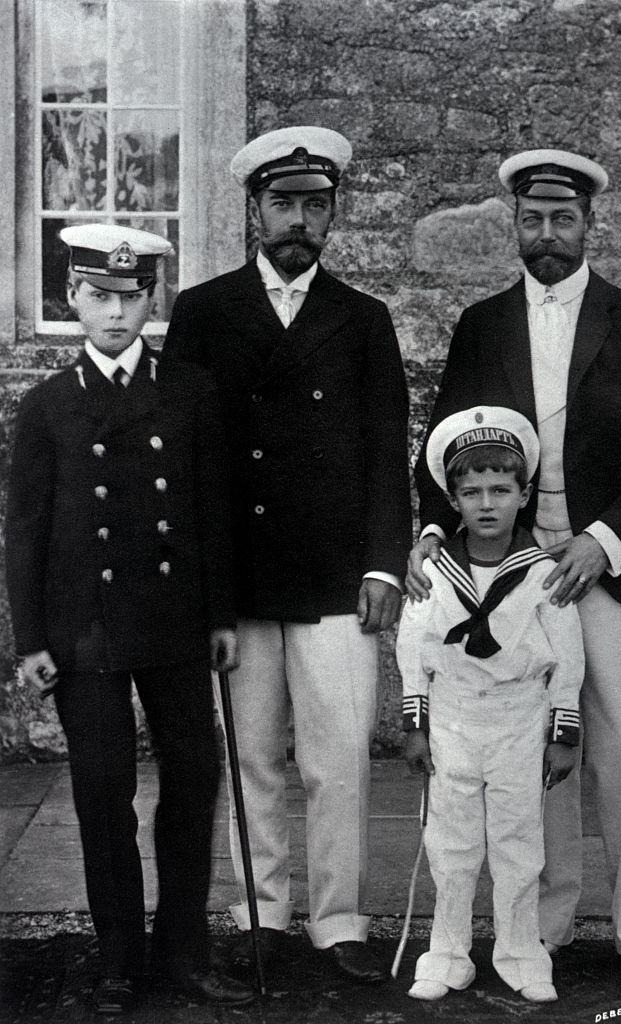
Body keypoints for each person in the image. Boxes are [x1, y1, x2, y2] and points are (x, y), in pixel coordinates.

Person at [407, 150, 621, 987]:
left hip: (613, 571)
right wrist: (435, 534)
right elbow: (446, 451)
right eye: (531, 220)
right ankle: (548, 923)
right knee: (542, 753)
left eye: (562, 219)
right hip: (518, 579)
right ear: (514, 226)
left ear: (589, 224)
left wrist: (601, 541)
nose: (547, 235)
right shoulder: (482, 324)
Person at [162, 126, 412, 982]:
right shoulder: (202, 313)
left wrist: (384, 565)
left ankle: (340, 920)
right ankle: (263, 912)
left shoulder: (363, 318)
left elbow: (389, 451)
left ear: (333, 212)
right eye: (283, 204)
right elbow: (180, 455)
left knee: (337, 756)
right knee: (254, 754)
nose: (299, 221)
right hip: (238, 571)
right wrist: (199, 582)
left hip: (337, 574)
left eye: (315, 204)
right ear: (254, 212)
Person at [5, 224, 255, 1014]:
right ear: (73, 298)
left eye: (132, 296)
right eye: (100, 296)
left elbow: (212, 509)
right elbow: (27, 533)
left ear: (154, 298)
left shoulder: (188, 389)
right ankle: (118, 952)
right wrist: (32, 641)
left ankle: (183, 948)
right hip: (87, 628)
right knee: (103, 789)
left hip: (177, 622)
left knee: (193, 778)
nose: (117, 314)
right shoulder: (46, 407)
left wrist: (221, 616)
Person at [398, 406, 584, 1004]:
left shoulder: (543, 574)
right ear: (452, 499)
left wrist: (563, 733)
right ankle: (448, 953)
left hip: (520, 719)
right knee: (451, 847)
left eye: (500, 490)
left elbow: (567, 659)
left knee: (518, 843)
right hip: (453, 717)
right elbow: (414, 651)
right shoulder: (434, 571)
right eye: (471, 491)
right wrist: (416, 725)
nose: (486, 504)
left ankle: (520, 952)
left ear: (523, 493)